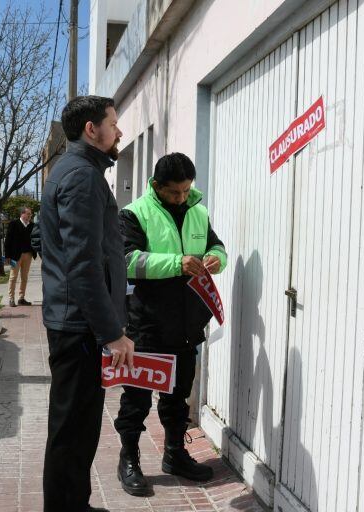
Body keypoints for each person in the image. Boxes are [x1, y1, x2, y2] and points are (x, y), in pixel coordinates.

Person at [39, 95, 135, 512]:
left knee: (77, 429)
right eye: (113, 124)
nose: (119, 131)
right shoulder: (81, 176)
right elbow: (83, 265)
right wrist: (112, 333)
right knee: (73, 431)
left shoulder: (79, 170)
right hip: (78, 327)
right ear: (91, 130)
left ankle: (73, 503)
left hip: (77, 322)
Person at [113, 153, 228, 496]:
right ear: (157, 186)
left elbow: (217, 246)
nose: (181, 198)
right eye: (174, 192)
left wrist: (215, 260)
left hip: (187, 324)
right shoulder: (135, 213)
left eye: (185, 191)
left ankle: (175, 454)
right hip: (148, 324)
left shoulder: (198, 211)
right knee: (136, 400)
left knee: (178, 398)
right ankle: (129, 459)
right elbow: (127, 261)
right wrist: (178, 263)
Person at [4, 206, 37, 307]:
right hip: (15, 256)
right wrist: (7, 256)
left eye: (30, 214)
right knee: (13, 277)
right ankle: (11, 299)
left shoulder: (32, 225)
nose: (30, 216)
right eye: (28, 214)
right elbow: (8, 240)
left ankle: (21, 298)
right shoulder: (13, 224)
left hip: (28, 254)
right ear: (22, 214)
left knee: (24, 277)